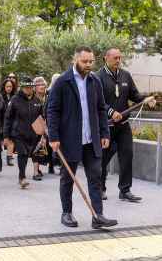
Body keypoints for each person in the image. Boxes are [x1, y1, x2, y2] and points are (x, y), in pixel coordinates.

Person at [47, 46, 118, 229]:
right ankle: (67, 213)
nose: (88, 65)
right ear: (75, 60)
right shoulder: (63, 82)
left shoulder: (95, 81)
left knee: (95, 177)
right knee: (67, 178)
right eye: (84, 61)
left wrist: (104, 133)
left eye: (91, 61)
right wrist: (53, 137)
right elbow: (53, 111)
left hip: (91, 139)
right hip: (70, 139)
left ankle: (98, 215)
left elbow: (101, 109)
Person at [97, 48, 156, 202]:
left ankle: (125, 190)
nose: (118, 60)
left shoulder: (125, 75)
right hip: (106, 126)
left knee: (127, 155)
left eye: (120, 58)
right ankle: (100, 188)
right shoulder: (98, 77)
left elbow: (134, 95)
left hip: (123, 125)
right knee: (103, 158)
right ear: (106, 58)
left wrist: (145, 99)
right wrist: (111, 112)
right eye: (115, 57)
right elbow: (97, 101)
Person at [3, 77, 43, 188]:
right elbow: (8, 118)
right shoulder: (15, 100)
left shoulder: (37, 101)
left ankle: (34, 172)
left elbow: (41, 117)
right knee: (23, 154)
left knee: (35, 153)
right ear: (22, 88)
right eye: (26, 88)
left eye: (30, 87)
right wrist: (6, 136)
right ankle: (22, 177)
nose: (28, 90)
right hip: (18, 133)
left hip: (33, 134)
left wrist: (43, 133)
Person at [32, 76, 55, 175]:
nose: (42, 86)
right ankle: (36, 169)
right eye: (39, 84)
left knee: (50, 145)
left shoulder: (49, 96)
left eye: (43, 84)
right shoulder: (32, 98)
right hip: (36, 125)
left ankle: (51, 165)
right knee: (37, 145)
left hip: (49, 123)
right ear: (35, 87)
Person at [0, 76, 17, 166]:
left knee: (11, 140)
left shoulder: (15, 97)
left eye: (10, 86)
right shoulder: (0, 96)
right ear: (4, 87)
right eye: (7, 86)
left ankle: (9, 157)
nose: (9, 88)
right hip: (1, 120)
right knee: (2, 141)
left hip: (12, 121)